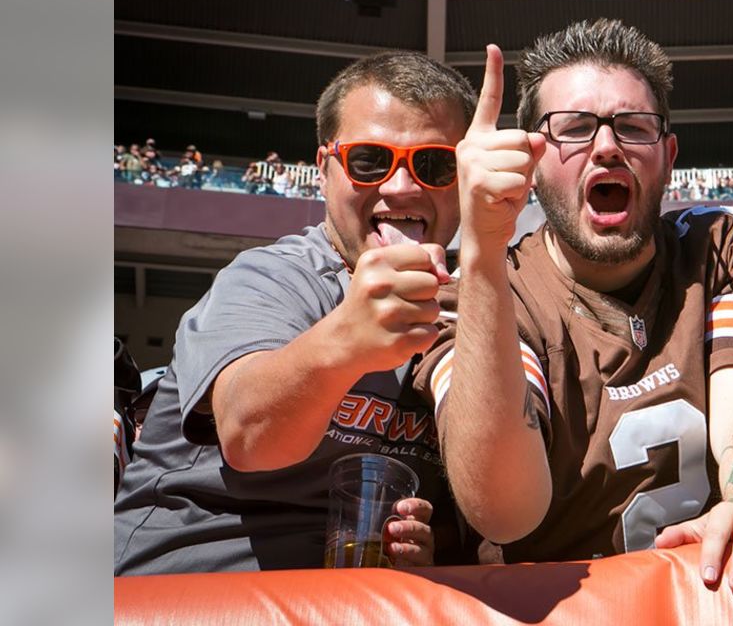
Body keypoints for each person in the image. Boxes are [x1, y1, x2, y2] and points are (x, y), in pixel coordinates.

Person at [416, 19, 733, 592]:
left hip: (711, 601)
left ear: (668, 155)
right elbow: (503, 508)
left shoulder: (719, 250)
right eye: (573, 128)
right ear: (530, 160)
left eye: (632, 127)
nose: (606, 147)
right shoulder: (481, 296)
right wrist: (480, 253)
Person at [114, 51, 477, 575]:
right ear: (324, 170)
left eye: (435, 163)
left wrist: (428, 540)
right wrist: (343, 344)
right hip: (188, 589)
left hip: (360, 602)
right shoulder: (270, 277)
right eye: (370, 159)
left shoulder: (477, 309)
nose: (402, 187)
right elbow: (250, 436)